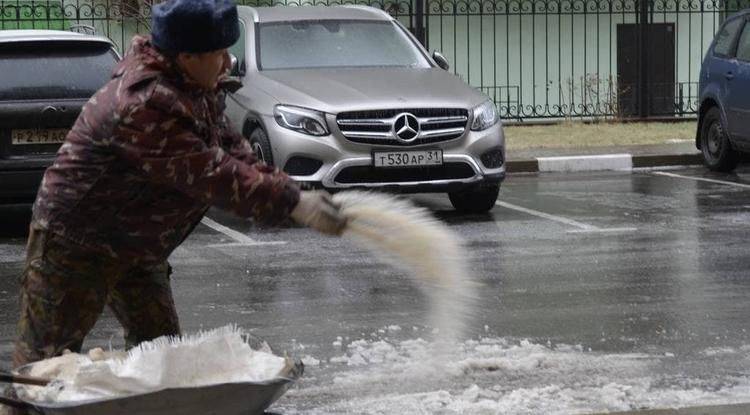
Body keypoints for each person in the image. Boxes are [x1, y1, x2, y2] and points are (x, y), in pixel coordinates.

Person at [11, 0, 346, 375]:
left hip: (137, 244)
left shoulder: (195, 85)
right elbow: (211, 174)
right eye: (219, 53)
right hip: (76, 244)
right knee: (42, 369)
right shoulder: (144, 104)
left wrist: (292, 192)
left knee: (161, 358)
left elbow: (234, 151)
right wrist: (292, 204)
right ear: (186, 56)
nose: (227, 63)